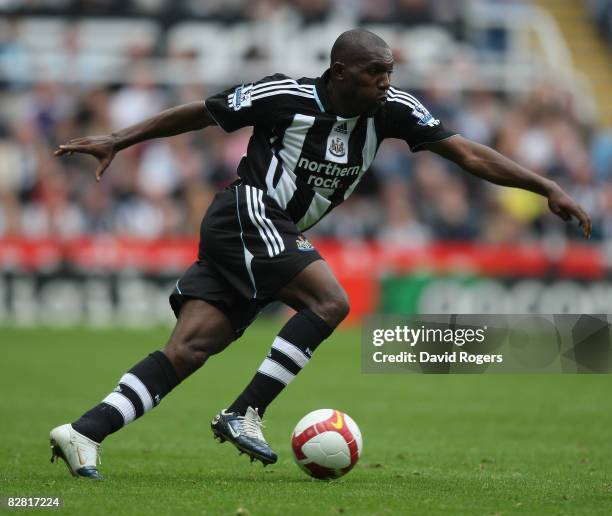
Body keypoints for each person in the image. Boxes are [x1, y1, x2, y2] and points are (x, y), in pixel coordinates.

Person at [50, 29, 592, 479]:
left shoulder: (392, 110)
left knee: (191, 347)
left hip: (263, 234)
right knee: (331, 302)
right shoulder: (282, 95)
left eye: (390, 71)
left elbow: (466, 152)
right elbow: (199, 112)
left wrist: (544, 185)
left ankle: (83, 432)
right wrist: (118, 139)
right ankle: (245, 412)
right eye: (375, 72)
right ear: (340, 73)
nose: (386, 82)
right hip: (247, 212)